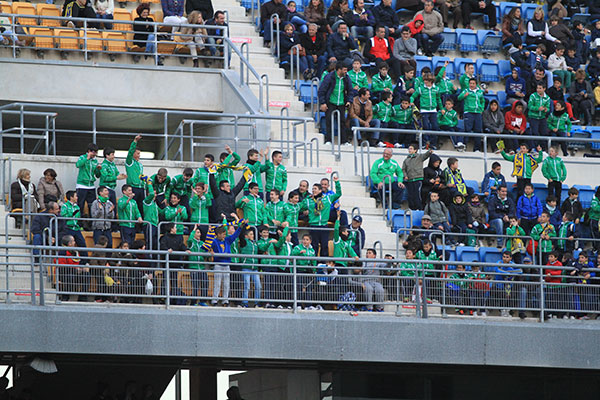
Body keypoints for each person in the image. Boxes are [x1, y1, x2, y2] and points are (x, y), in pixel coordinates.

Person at [299, 177, 341, 257]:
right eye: (312, 189)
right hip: (313, 226)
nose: (313, 190)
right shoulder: (309, 200)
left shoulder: (328, 198)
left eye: (315, 189)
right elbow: (299, 207)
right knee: (314, 246)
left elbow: (338, 194)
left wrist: (337, 183)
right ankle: (314, 265)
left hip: (324, 226)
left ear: (320, 190)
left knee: (324, 246)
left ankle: (323, 265)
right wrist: (305, 201)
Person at [208, 220, 246, 306]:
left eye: (225, 234)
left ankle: (225, 300)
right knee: (217, 283)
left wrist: (240, 227)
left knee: (226, 284)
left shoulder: (228, 240)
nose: (224, 236)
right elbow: (206, 246)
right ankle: (215, 300)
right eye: (223, 234)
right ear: (218, 235)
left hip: (227, 265)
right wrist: (210, 251)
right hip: (218, 264)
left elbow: (235, 235)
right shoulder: (214, 241)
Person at [318, 61, 353, 145]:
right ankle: (328, 140)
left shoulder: (346, 78)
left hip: (341, 103)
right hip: (330, 102)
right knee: (329, 121)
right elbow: (322, 91)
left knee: (342, 122)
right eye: (344, 70)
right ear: (339, 70)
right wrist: (323, 102)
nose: (346, 72)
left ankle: (343, 141)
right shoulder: (329, 77)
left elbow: (350, 91)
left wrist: (349, 100)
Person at [159, 222, 190, 304]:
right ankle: (163, 297)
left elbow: (181, 245)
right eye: (175, 227)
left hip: (175, 262)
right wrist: (167, 250)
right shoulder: (164, 238)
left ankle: (173, 298)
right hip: (167, 262)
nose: (176, 229)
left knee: (174, 281)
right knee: (165, 280)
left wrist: (186, 249)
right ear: (171, 229)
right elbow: (162, 246)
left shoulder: (178, 238)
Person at [410, 73, 442, 148]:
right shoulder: (421, 89)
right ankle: (424, 143)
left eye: (426, 80)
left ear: (431, 81)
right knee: (425, 126)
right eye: (424, 80)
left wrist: (442, 108)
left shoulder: (436, 89)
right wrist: (411, 101)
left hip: (433, 110)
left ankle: (433, 144)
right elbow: (413, 96)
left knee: (435, 127)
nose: (425, 82)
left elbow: (438, 99)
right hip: (424, 110)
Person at [57, 234, 90, 302]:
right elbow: (62, 265)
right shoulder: (62, 252)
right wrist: (75, 269)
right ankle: (65, 296)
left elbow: (79, 261)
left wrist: (82, 267)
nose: (75, 243)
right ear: (69, 243)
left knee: (86, 275)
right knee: (69, 276)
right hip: (65, 273)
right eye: (73, 241)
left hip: (76, 272)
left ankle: (83, 297)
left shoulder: (75, 251)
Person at [491, 251, 524, 318]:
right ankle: (502, 311)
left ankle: (508, 311)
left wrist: (508, 272)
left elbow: (520, 271)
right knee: (500, 294)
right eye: (504, 257)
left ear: (510, 258)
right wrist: (509, 273)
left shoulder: (512, 264)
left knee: (513, 294)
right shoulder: (499, 262)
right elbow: (497, 270)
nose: (505, 258)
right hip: (499, 285)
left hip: (509, 286)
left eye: (507, 257)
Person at [458, 78, 485, 152]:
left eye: (473, 83)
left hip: (477, 113)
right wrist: (464, 96)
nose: (472, 85)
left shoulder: (480, 92)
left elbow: (482, 101)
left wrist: (481, 109)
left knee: (478, 131)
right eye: (470, 83)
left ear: (476, 84)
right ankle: (464, 147)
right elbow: (459, 98)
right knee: (467, 130)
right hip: (469, 112)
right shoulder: (466, 91)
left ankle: (477, 149)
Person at [402, 144, 432, 210]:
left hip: (418, 179)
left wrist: (429, 151)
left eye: (411, 149)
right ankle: (411, 208)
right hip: (410, 180)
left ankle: (419, 208)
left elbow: (425, 155)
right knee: (410, 195)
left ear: (415, 150)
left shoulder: (419, 157)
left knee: (417, 195)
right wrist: (405, 176)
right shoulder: (406, 160)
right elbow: (403, 169)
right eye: (409, 149)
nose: (409, 150)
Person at [237, 227, 261, 307]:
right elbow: (240, 235)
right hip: (246, 267)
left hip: (254, 268)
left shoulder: (255, 243)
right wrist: (243, 225)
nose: (253, 236)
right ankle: (245, 303)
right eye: (250, 234)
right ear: (246, 236)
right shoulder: (244, 242)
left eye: (253, 234)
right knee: (246, 286)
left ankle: (257, 303)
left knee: (258, 286)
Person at [75, 143, 99, 218]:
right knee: (80, 205)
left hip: (91, 186)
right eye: (93, 152)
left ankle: (92, 223)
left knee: (92, 205)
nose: (95, 154)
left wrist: (98, 170)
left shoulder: (95, 161)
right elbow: (78, 165)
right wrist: (87, 158)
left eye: (96, 152)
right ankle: (79, 222)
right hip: (82, 185)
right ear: (89, 151)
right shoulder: (82, 157)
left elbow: (97, 175)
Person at [125, 135, 145, 216]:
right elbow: (130, 153)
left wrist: (148, 182)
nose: (139, 155)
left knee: (141, 208)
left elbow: (141, 175)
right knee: (133, 207)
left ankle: (141, 226)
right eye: (137, 153)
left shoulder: (140, 165)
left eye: (139, 153)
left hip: (141, 188)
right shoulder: (130, 162)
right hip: (133, 188)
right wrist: (135, 141)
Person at [527, 83, 551, 149]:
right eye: (537, 88)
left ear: (544, 89)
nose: (538, 90)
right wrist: (537, 108)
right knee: (535, 132)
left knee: (544, 132)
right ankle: (535, 148)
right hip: (533, 117)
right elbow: (529, 106)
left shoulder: (547, 98)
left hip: (542, 117)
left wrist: (546, 109)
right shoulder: (533, 96)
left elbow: (548, 107)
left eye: (540, 88)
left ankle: (543, 149)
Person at [588, 187, 600, 253]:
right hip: (594, 219)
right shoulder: (595, 198)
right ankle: (596, 248)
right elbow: (595, 208)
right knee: (595, 234)